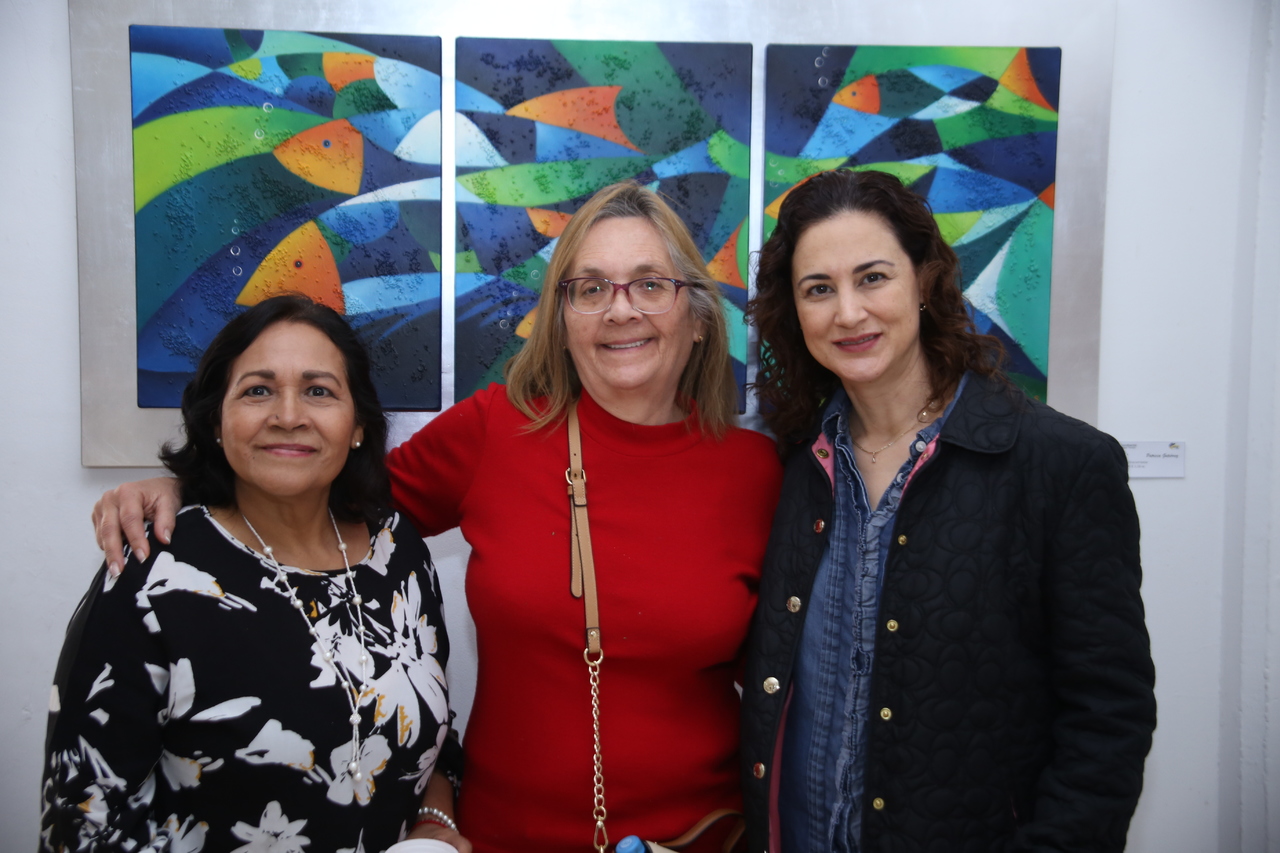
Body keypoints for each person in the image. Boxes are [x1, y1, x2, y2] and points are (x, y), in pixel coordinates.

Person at [90, 183, 783, 853]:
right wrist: (191, 485)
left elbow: (788, 682)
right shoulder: (497, 430)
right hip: (501, 837)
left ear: (697, 318)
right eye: (591, 288)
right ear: (562, 318)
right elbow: (320, 490)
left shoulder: (758, 472)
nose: (620, 310)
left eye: (650, 284)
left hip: (702, 836)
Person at [741, 169, 1156, 852]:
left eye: (872, 277)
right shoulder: (795, 466)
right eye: (819, 289)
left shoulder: (1062, 466)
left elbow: (1109, 719)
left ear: (926, 280)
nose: (848, 313)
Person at [46, 296, 467, 853]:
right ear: (217, 422)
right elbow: (80, 823)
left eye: (318, 390)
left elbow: (434, 734)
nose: (288, 415)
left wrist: (436, 818)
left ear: (359, 426)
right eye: (257, 390)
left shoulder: (398, 550)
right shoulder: (153, 573)